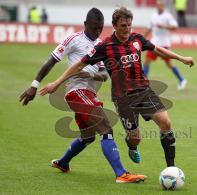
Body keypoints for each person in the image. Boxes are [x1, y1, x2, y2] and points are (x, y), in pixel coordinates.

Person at [40, 7, 194, 168]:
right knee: (135, 137)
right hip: (123, 99)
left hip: (144, 91)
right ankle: (132, 146)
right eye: (123, 26)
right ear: (114, 25)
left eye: (129, 25)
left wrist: (181, 58)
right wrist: (56, 83)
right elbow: (79, 65)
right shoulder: (105, 46)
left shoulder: (137, 39)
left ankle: (171, 168)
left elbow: (157, 49)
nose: (127, 29)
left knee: (166, 123)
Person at [19, 8, 146, 183]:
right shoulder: (74, 39)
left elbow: (104, 75)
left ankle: (63, 163)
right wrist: (34, 85)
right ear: (86, 24)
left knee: (88, 136)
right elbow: (52, 60)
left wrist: (90, 74)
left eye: (100, 28)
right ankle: (121, 174)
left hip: (89, 93)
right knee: (106, 128)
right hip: (76, 92)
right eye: (94, 28)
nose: (97, 32)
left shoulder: (103, 45)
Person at [143, 0, 187, 90]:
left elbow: (175, 27)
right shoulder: (153, 16)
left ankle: (182, 79)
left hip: (164, 44)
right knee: (147, 61)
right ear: (156, 6)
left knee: (169, 64)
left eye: (161, 5)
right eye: (158, 5)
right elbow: (149, 28)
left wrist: (164, 26)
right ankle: (144, 83)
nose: (160, 7)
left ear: (164, 6)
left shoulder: (168, 16)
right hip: (154, 43)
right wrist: (142, 38)